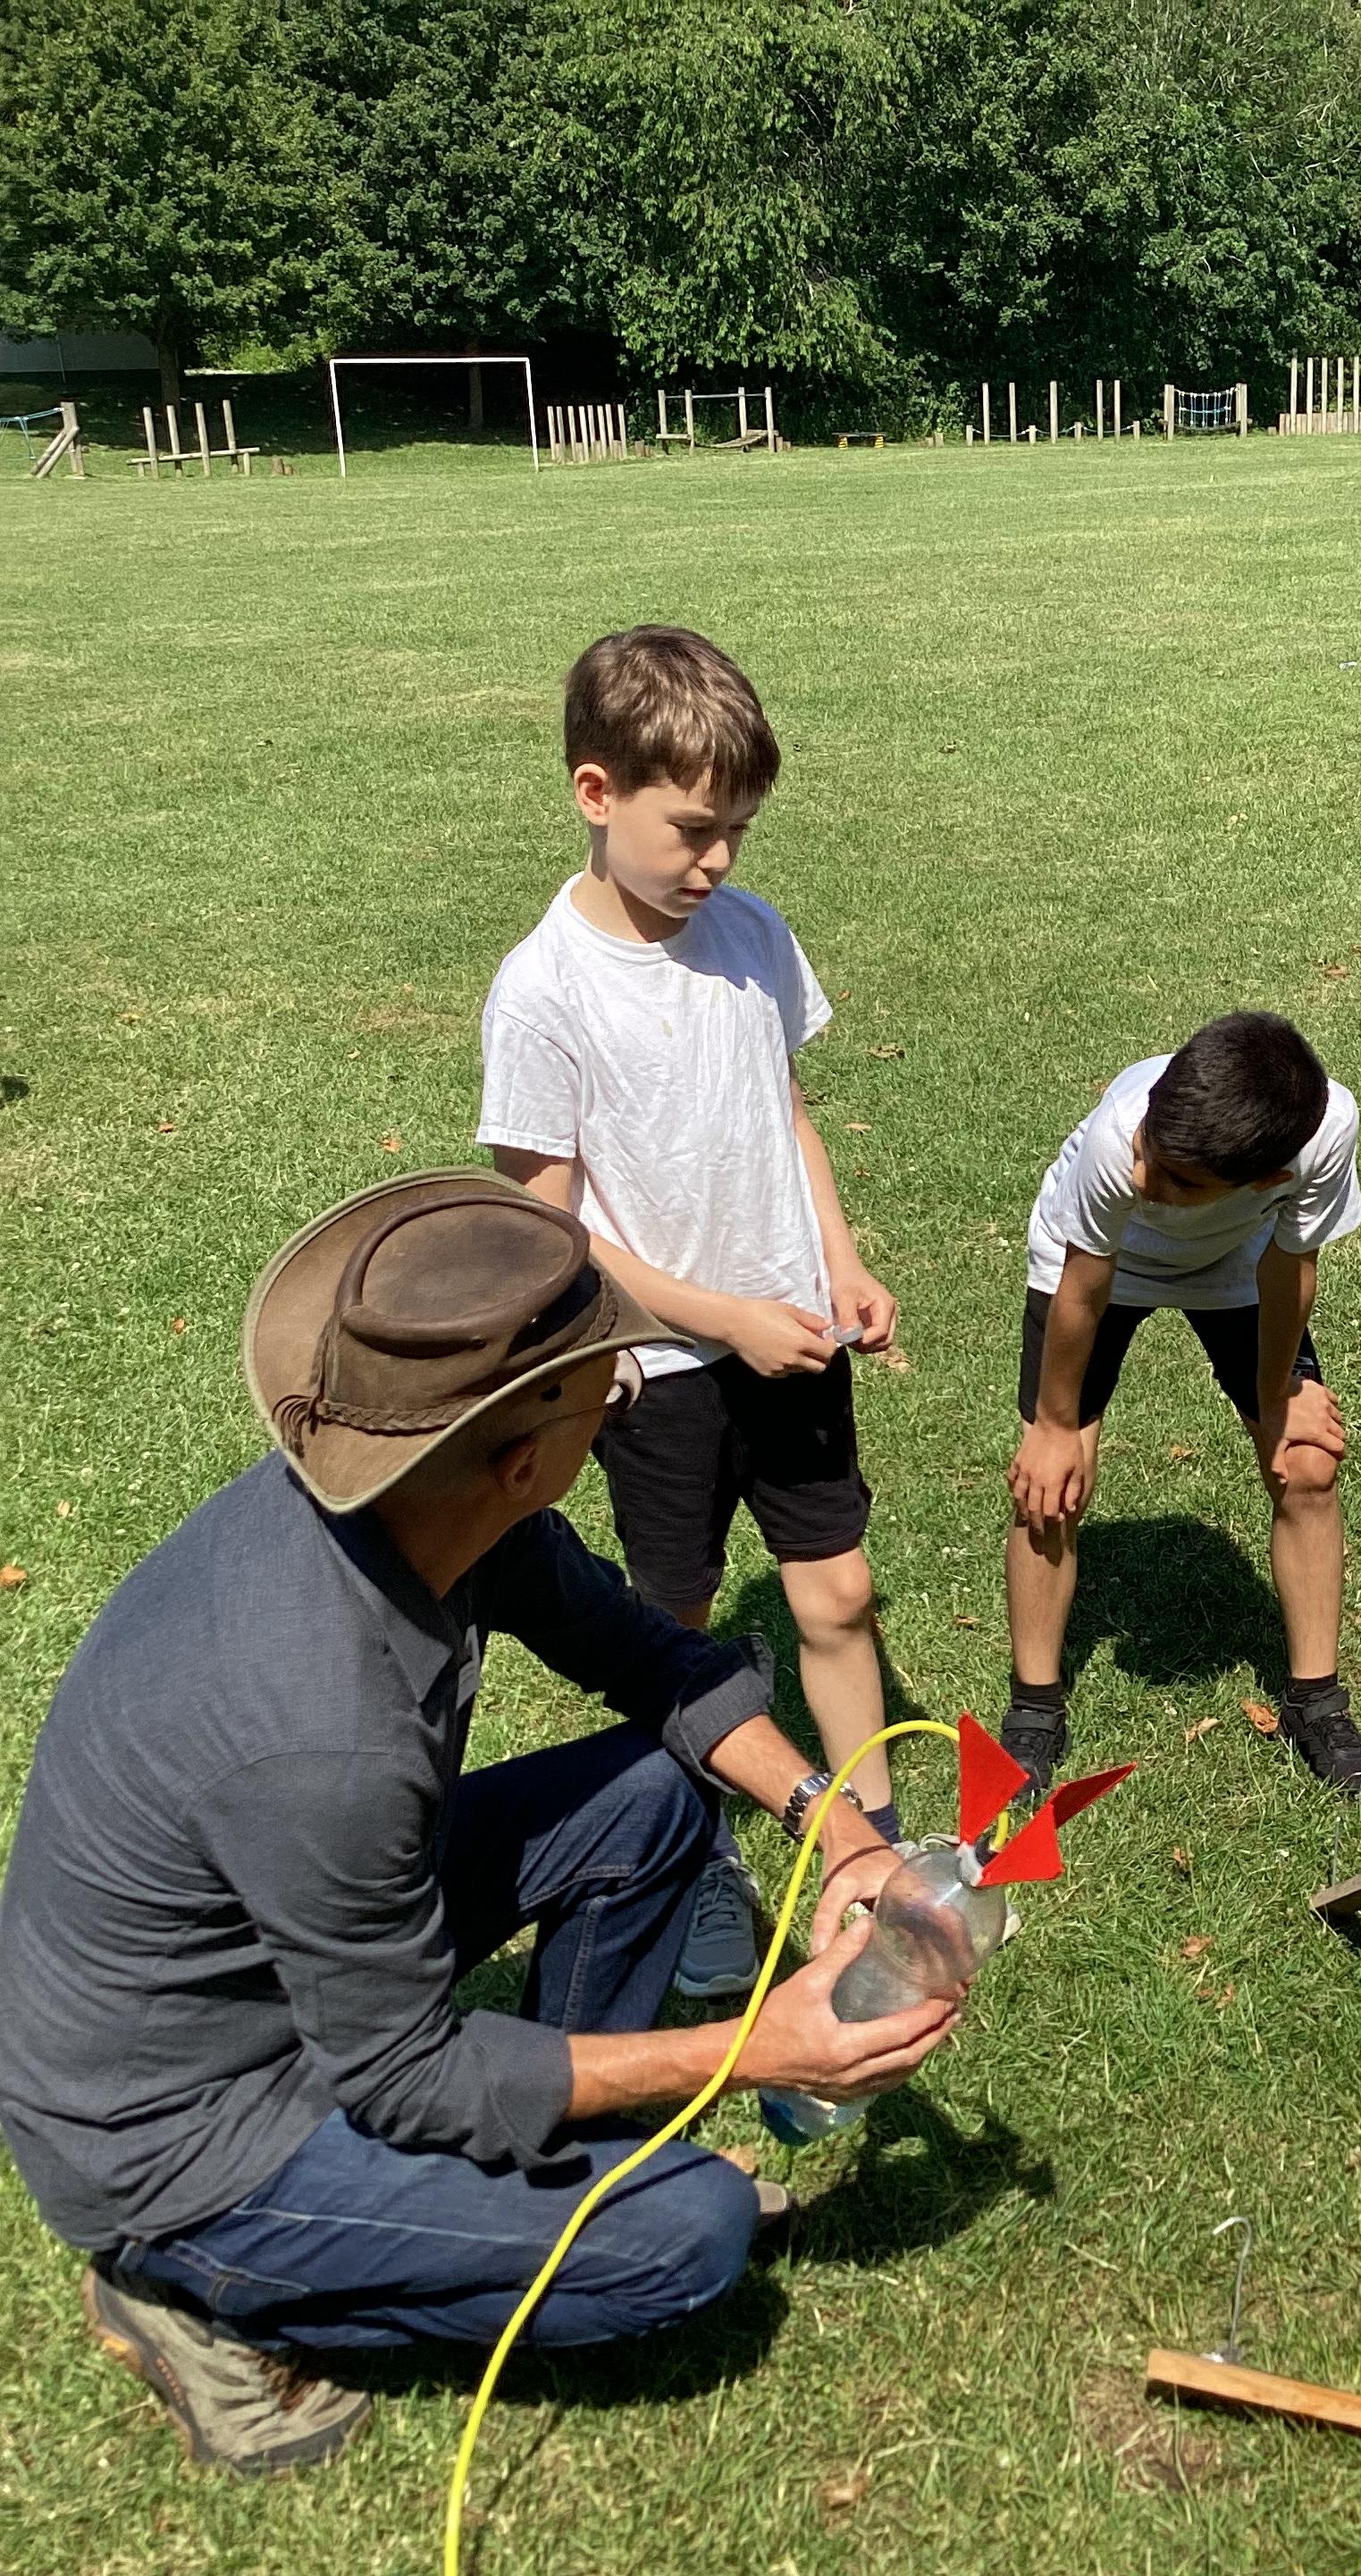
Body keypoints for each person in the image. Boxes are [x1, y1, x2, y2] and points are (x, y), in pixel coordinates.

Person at [0, 1173, 954, 2478]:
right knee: (689, 2235)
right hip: (183, 2133)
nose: (621, 1404)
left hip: (285, 1959)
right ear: (521, 1458)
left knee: (656, 1790)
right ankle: (194, 2289)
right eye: (610, 1391)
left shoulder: (426, 1503)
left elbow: (649, 1660)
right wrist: (754, 2051)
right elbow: (405, 2074)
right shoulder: (322, 1727)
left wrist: (832, 1822)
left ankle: (564, 2149)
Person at [477, 626, 901, 1999]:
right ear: (596, 793)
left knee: (839, 1591)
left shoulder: (752, 934)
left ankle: (874, 1849)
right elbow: (553, 1234)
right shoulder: (544, 992)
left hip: (794, 1335)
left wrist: (839, 1260)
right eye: (693, 831)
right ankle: (702, 1851)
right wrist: (722, 1316)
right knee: (680, 1618)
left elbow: (787, 1112)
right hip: (657, 1370)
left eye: (738, 832)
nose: (717, 861)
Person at [1002, 1010, 1361, 1799]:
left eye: (1177, 1179)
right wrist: (1055, 1427)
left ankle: (1316, 1702)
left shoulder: (1322, 1133)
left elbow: (1291, 1262)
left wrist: (1278, 1397)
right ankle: (1035, 1707)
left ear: (1269, 1178)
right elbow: (1084, 1286)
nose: (1146, 1178)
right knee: (1051, 1486)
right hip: (1097, 1264)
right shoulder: (1120, 1140)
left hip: (1238, 1260)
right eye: (1150, 1151)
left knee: (1308, 1466)